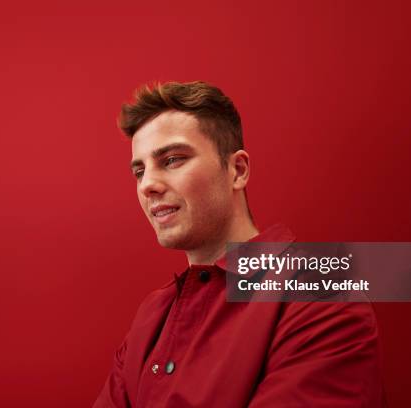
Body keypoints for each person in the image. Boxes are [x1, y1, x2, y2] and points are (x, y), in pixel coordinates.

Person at [94, 81, 386, 407]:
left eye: (173, 159)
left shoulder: (323, 291)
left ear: (237, 170)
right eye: (139, 171)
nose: (148, 184)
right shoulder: (150, 315)